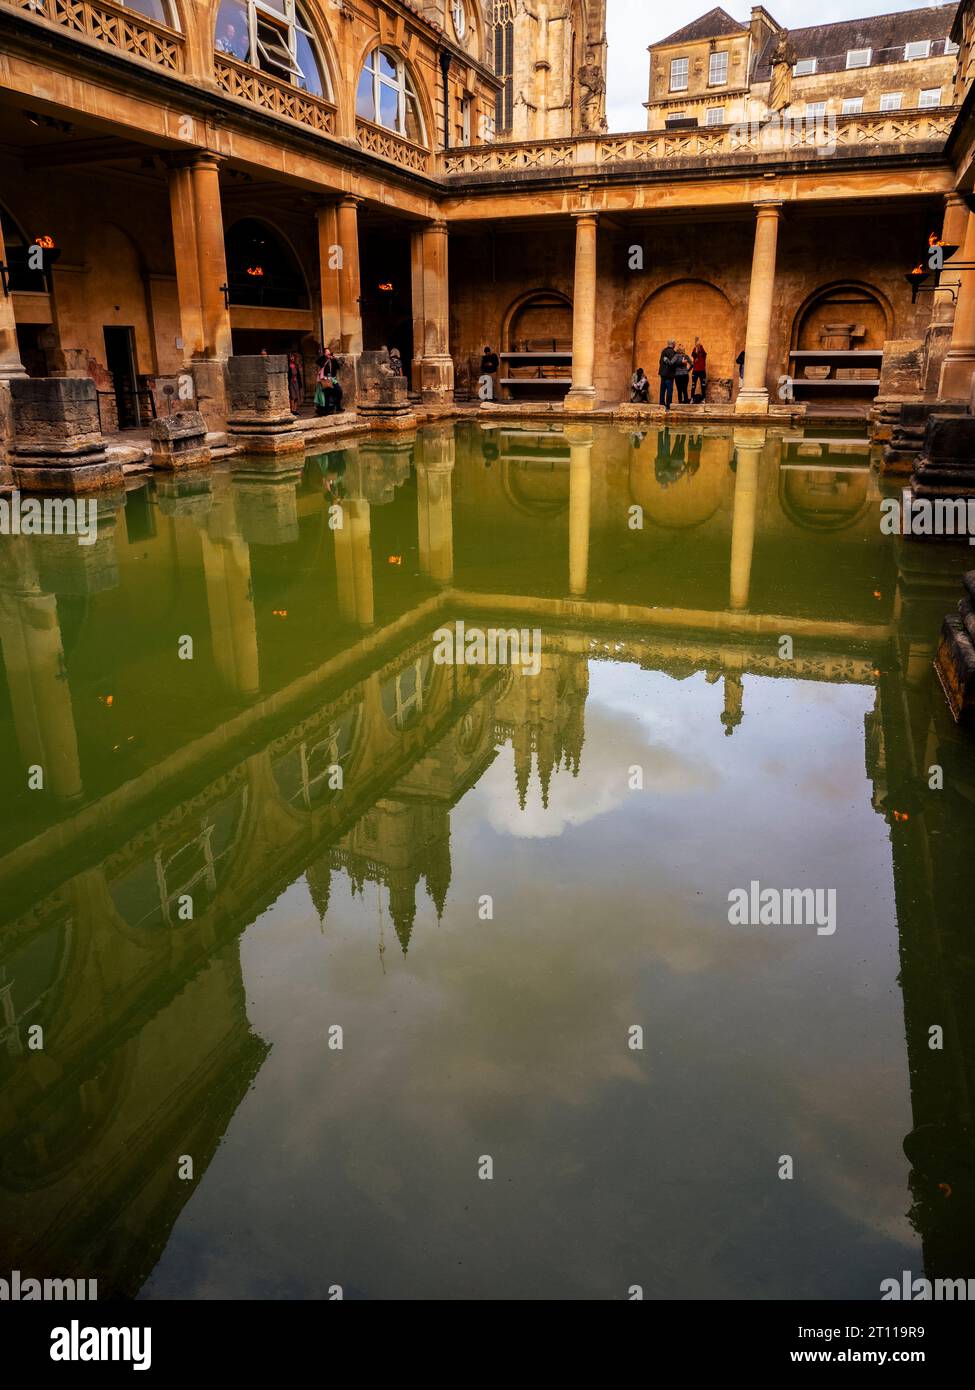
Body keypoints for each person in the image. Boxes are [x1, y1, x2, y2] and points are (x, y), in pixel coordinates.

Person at [658, 340, 677, 409]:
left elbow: (660, 361)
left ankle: (661, 404)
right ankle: (668, 405)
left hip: (662, 373)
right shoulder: (673, 352)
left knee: (662, 389)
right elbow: (673, 363)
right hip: (669, 374)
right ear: (673, 345)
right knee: (669, 390)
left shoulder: (663, 351)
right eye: (675, 344)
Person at [691, 338, 707, 403]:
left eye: (699, 345)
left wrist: (700, 347)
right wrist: (696, 348)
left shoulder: (703, 351)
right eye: (697, 345)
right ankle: (692, 398)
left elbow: (705, 354)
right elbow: (693, 355)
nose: (698, 345)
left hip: (702, 371)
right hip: (695, 371)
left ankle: (703, 398)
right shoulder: (695, 350)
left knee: (703, 385)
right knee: (693, 385)